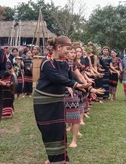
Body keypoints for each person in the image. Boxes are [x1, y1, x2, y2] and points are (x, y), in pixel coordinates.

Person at [33, 35, 87, 164]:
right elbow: (56, 78)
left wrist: (91, 89)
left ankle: (59, 160)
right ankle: (54, 158)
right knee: (49, 131)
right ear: (58, 47)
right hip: (44, 102)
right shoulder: (47, 63)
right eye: (68, 49)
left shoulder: (65, 64)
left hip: (57, 101)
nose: (69, 52)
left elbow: (71, 79)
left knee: (59, 130)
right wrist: (75, 85)